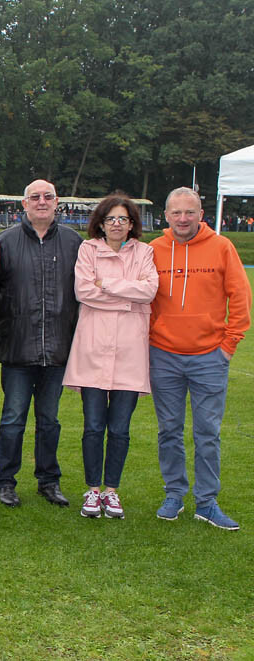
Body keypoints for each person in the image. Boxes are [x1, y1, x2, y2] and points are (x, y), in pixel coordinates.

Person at [149, 187, 251, 530]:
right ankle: (174, 494)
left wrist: (228, 345)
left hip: (209, 357)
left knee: (207, 432)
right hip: (164, 355)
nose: (183, 218)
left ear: (201, 215)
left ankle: (207, 502)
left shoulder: (222, 247)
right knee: (169, 430)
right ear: (166, 216)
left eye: (189, 212)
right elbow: (144, 300)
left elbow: (240, 297)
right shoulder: (154, 249)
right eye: (176, 212)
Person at [63, 194, 157, 518]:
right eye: (111, 219)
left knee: (119, 429)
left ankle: (111, 492)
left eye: (123, 219)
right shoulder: (88, 250)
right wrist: (128, 295)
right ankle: (92, 490)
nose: (117, 224)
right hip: (93, 349)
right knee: (93, 426)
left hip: (130, 352)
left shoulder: (145, 252)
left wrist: (106, 285)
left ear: (132, 224)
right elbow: (83, 291)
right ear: (101, 224)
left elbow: (149, 291)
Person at [0, 180, 82, 508]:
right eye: (35, 197)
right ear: (24, 204)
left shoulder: (73, 242)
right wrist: (12, 320)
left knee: (50, 420)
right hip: (17, 348)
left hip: (57, 350)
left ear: (57, 202)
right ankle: (6, 481)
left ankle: (48, 481)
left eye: (48, 197)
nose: (41, 201)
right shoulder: (5, 242)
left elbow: (81, 293)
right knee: (13, 419)